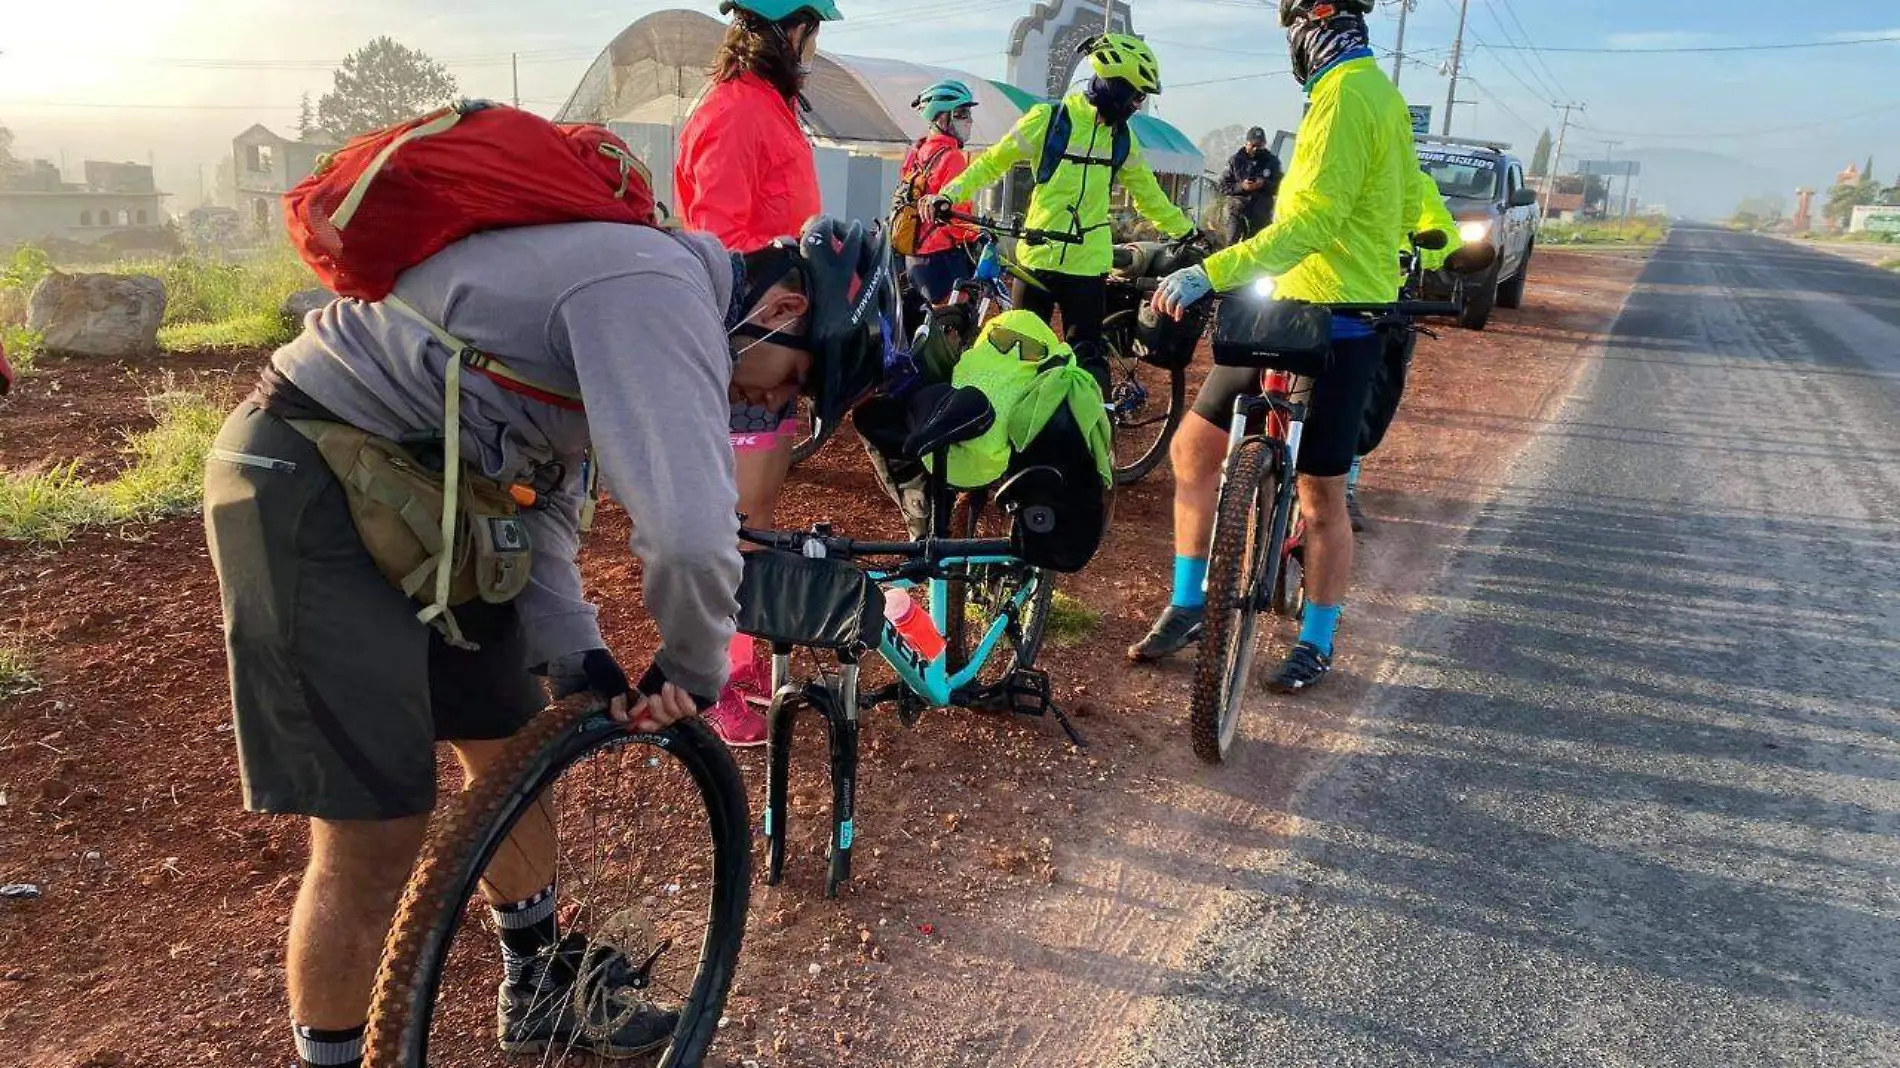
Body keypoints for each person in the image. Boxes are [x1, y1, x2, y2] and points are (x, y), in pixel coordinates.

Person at [203, 213, 886, 1068]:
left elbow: (551, 489)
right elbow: (688, 533)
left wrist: (575, 652)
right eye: (794, 385)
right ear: (784, 311)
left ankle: (537, 987)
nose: (774, 407)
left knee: (506, 746)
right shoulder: (659, 294)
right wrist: (695, 666)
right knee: (374, 829)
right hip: (309, 468)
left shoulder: (651, 296)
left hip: (444, 486)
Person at [1130, 0, 1421, 694]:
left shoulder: (1347, 95)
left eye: (1290, 30)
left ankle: (1316, 638)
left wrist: (1211, 271)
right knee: (1196, 447)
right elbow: (1409, 203)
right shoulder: (1370, 93)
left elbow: (1315, 219)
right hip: (1290, 307)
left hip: (1341, 316)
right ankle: (1191, 603)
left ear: (1309, 27)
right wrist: (1417, 240)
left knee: (1321, 493)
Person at [674, 0, 842, 747]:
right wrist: (766, 289)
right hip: (744, 344)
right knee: (730, 522)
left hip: (769, 347)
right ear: (788, 28)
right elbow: (716, 235)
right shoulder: (739, 110)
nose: (813, 46)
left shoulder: (770, 107)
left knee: (753, 517)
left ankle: (736, 661)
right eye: (812, 31)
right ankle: (703, 681)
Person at [927, 33, 1197, 379]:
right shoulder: (1049, 120)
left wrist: (1185, 231)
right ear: (1113, 86)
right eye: (1135, 95)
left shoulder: (1121, 139)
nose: (1137, 105)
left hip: (1087, 264)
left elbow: (1149, 194)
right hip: (1037, 256)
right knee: (1022, 354)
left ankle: (1096, 425)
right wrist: (948, 194)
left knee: (1086, 360)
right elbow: (993, 161)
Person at [1347, 166, 1462, 531]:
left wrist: (1421, 257)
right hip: (1313, 288)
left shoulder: (1414, 181)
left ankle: (1344, 486)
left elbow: (1445, 236)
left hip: (1381, 297)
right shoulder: (1329, 168)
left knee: (1365, 394)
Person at [902, 79, 984, 305]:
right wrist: (978, 236)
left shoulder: (917, 150)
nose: (969, 120)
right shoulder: (953, 157)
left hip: (913, 258)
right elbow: (958, 215)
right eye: (961, 113)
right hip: (943, 259)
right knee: (954, 332)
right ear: (941, 117)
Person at [1218, 126, 1283, 246]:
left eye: (1259, 145)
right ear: (1246, 143)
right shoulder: (1235, 161)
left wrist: (1264, 184)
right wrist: (1242, 187)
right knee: (1231, 245)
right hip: (1237, 211)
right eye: (1253, 145)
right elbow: (1223, 186)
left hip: (1261, 213)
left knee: (1258, 248)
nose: (1256, 148)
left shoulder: (1272, 162)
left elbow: (1281, 186)